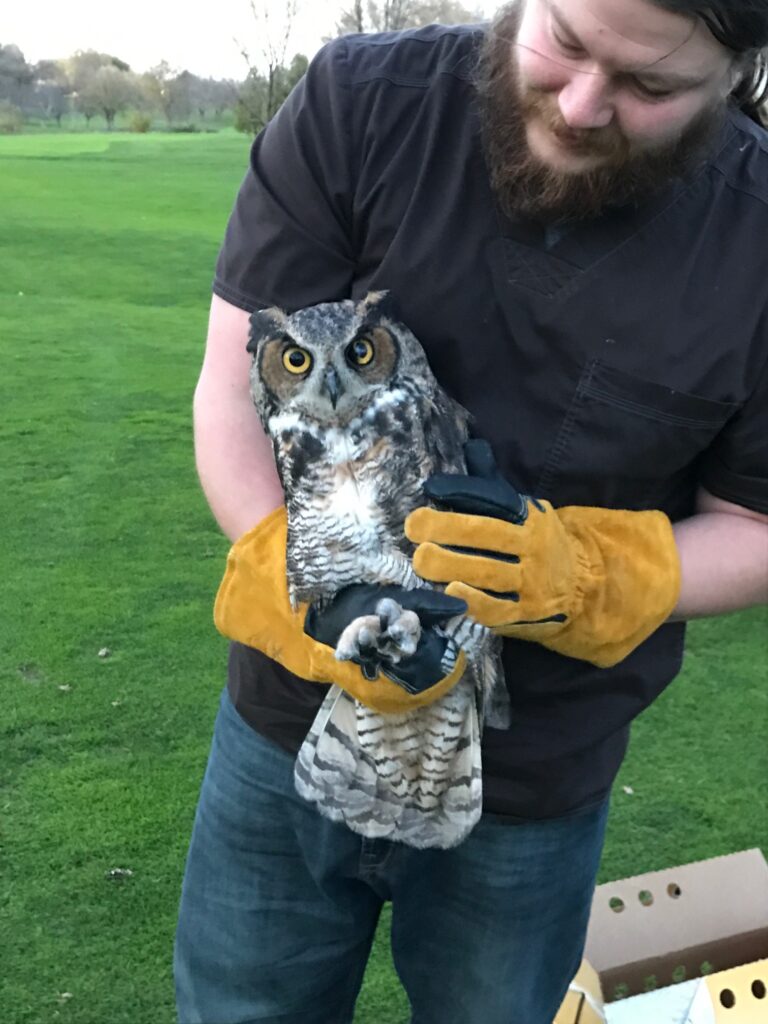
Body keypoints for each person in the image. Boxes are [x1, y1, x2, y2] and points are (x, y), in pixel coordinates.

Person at [175, 1, 768, 1021]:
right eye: (567, 42)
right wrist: (297, 572)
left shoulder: (754, 237)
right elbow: (236, 388)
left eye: (649, 86)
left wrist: (589, 569)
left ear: (736, 75)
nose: (582, 105)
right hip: (289, 718)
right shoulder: (364, 106)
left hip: (533, 766)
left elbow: (756, 523)